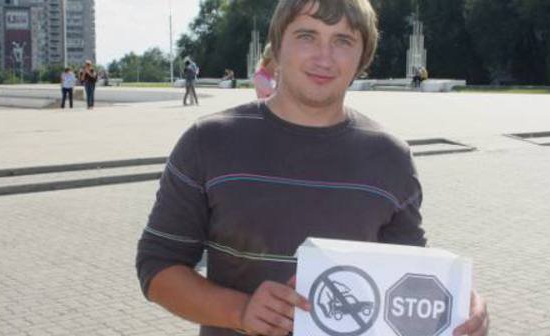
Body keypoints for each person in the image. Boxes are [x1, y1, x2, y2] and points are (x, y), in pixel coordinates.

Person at [136, 1, 489, 336]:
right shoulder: (208, 142)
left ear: (362, 57)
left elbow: (410, 278)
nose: (324, 57)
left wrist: (458, 306)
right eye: (307, 36)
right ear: (277, 46)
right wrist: (240, 311)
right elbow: (157, 267)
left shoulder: (391, 158)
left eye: (343, 40)